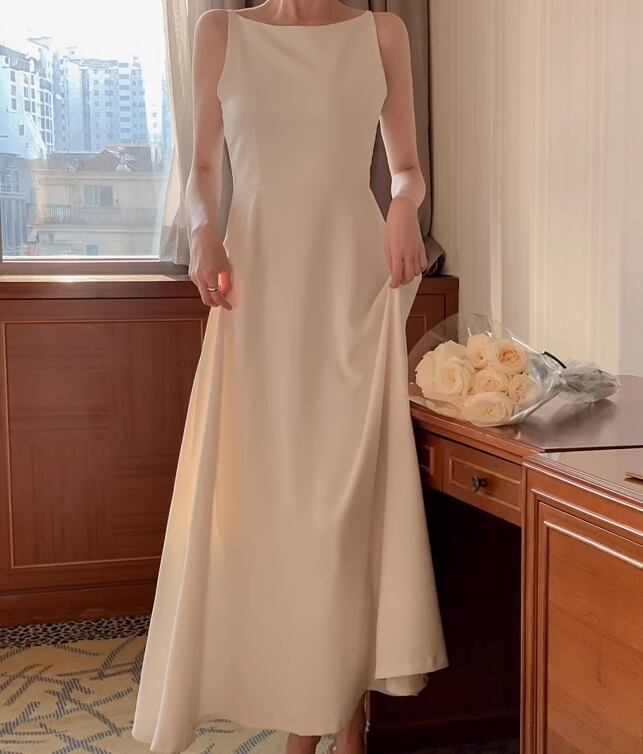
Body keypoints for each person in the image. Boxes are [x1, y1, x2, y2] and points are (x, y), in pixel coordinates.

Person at [131, 2, 448, 753]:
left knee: (342, 510)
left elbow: (405, 171)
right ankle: (316, 714)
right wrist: (202, 230)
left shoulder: (381, 33)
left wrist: (404, 207)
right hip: (259, 293)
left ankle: (337, 720)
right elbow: (201, 171)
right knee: (273, 515)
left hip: (350, 290)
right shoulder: (220, 31)